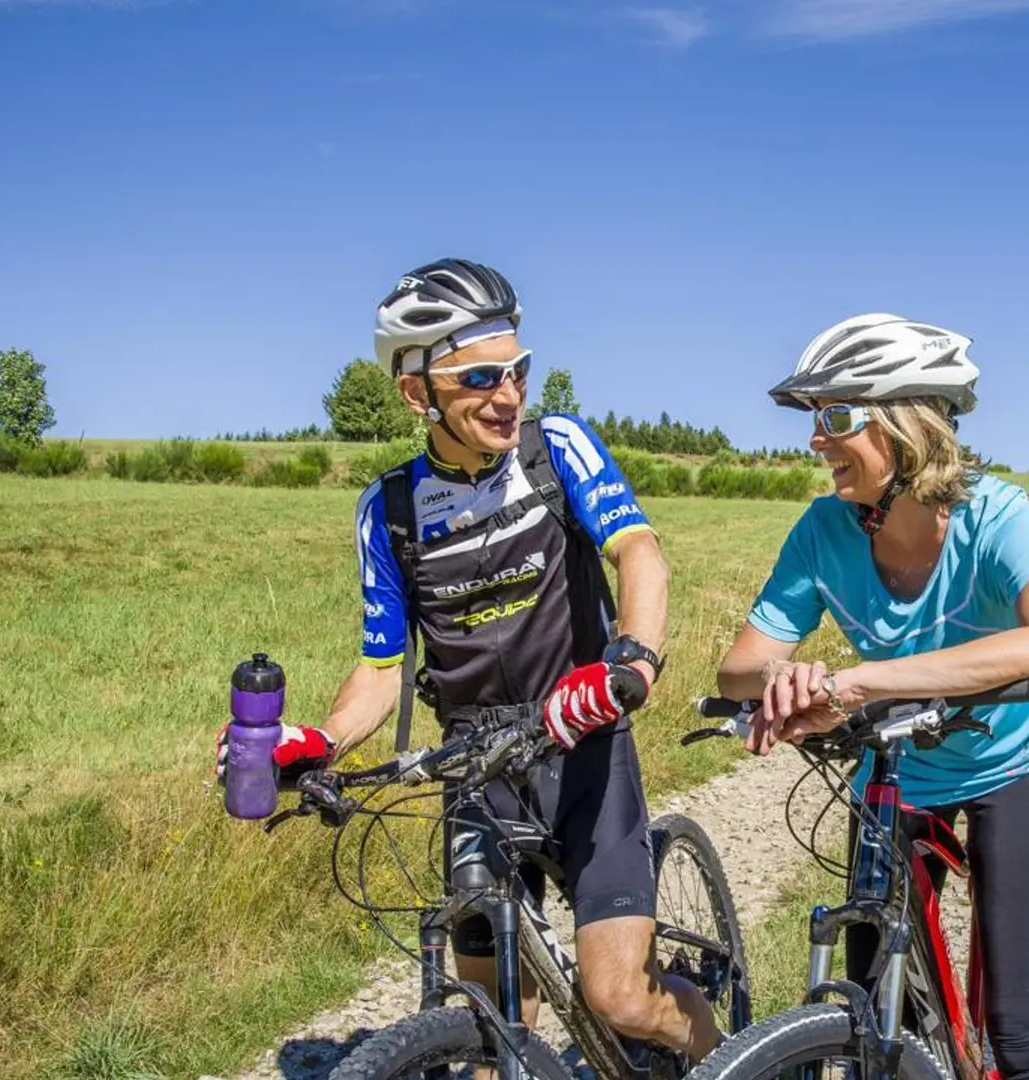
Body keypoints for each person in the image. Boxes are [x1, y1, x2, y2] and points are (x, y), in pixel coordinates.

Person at [219, 258, 721, 1062]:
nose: (508, 394)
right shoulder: (388, 510)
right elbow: (382, 668)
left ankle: (729, 1058)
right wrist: (317, 742)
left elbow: (641, 555)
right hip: (475, 764)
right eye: (481, 377)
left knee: (621, 994)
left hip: (581, 737)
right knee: (487, 1015)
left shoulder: (557, 450)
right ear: (418, 394)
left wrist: (631, 662)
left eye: (517, 370)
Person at [714, 313, 1029, 1080]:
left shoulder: (996, 516)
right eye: (815, 420)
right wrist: (796, 680)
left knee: (1026, 1038)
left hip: (1015, 766)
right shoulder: (822, 531)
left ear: (908, 428)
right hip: (899, 773)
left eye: (837, 417)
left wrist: (859, 682)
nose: (817, 440)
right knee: (878, 1012)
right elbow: (738, 669)